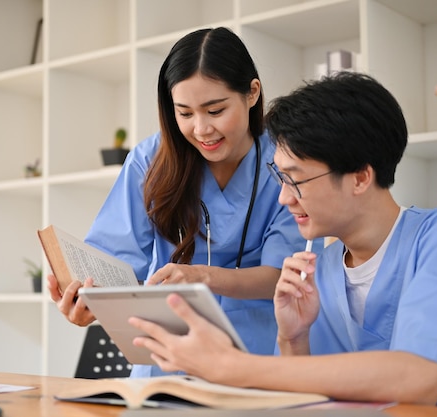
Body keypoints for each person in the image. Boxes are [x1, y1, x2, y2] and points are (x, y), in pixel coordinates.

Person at [128, 72, 437, 408]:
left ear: (359, 177)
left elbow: (419, 379)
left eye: (296, 180)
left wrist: (231, 366)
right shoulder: (318, 272)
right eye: (280, 178)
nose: (285, 198)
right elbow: (301, 405)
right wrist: (293, 339)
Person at [47, 27, 313, 377]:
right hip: (165, 362)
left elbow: (282, 275)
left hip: (255, 360)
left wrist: (202, 276)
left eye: (215, 111)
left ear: (252, 93)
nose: (201, 129)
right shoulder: (149, 160)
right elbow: (115, 262)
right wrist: (89, 299)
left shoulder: (284, 159)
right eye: (185, 114)